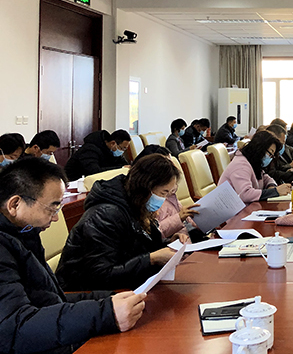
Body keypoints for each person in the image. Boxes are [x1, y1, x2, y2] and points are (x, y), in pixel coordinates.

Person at [0, 158, 146, 354]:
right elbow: (14, 329)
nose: (56, 218)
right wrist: (105, 313)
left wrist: (110, 298)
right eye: (52, 208)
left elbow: (50, 299)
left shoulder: (23, 234)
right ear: (15, 204)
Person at [57, 155, 184, 291]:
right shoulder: (105, 215)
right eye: (163, 193)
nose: (163, 200)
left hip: (128, 285)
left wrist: (168, 244)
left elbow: (138, 248)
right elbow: (101, 275)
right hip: (86, 290)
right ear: (146, 186)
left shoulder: (136, 203)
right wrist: (151, 259)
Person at [135, 145, 200, 240]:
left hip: (182, 238)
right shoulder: (149, 200)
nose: (172, 168)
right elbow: (152, 233)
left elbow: (186, 220)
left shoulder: (170, 192)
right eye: (167, 165)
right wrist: (178, 218)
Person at [218, 130, 292, 203]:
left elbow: (265, 178)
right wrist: (275, 191)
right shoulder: (241, 165)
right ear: (260, 148)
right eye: (270, 153)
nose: (270, 158)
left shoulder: (253, 163)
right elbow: (245, 194)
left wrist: (271, 186)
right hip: (231, 209)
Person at [63, 129, 131, 181]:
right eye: (122, 148)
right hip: (73, 182)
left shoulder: (112, 151)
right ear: (113, 143)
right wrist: (121, 168)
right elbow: (94, 171)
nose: (122, 151)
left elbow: (125, 165)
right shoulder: (89, 150)